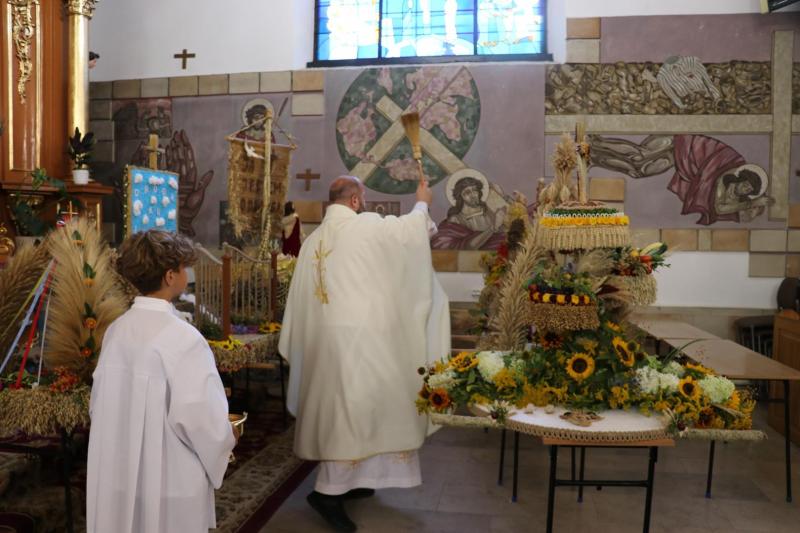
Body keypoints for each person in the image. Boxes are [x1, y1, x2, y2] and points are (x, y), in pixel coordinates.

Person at [279, 176, 450, 532]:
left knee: (350, 410)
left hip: (325, 343)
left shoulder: (313, 241)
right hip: (358, 342)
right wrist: (422, 200)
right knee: (352, 412)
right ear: (355, 200)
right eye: (364, 198)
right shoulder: (365, 226)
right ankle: (326, 494)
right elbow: (410, 234)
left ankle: (354, 479)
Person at [86, 230, 237, 533]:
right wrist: (226, 438)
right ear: (170, 276)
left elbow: (99, 404)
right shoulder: (184, 338)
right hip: (171, 483)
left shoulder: (116, 331)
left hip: (118, 475)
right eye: (183, 268)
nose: (186, 274)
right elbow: (200, 418)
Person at [589, 134, 774, 225]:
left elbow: (730, 210)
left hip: (679, 160)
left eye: (749, 190)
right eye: (746, 185)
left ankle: (594, 158)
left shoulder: (730, 196)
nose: (745, 189)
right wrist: (753, 203)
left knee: (638, 172)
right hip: (680, 142)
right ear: (741, 178)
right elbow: (719, 208)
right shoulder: (725, 177)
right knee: (640, 155)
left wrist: (752, 206)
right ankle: (595, 142)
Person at [431, 175, 506, 249]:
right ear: (460, 197)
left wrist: (502, 197)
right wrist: (492, 228)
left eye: (475, 190)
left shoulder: (489, 212)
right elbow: (467, 247)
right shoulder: (456, 219)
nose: (473, 195)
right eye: (467, 192)